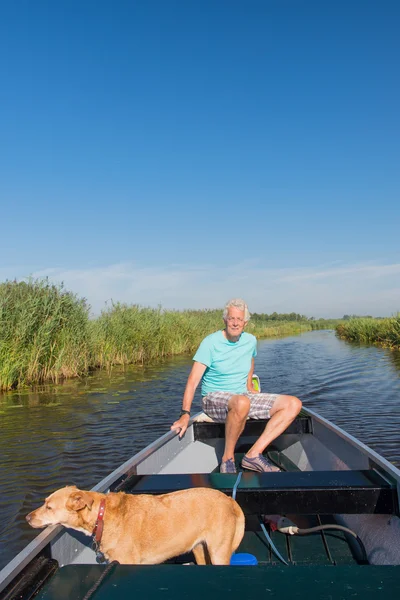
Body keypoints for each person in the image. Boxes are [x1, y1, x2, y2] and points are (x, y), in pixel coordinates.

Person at [171, 298, 302, 473]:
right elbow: (193, 380)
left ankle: (253, 455)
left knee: (293, 404)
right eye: (231, 318)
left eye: (239, 319)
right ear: (225, 320)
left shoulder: (250, 341)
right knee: (241, 403)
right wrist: (185, 414)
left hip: (242, 396)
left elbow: (250, 359)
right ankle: (228, 459)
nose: (235, 323)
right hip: (213, 397)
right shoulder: (210, 343)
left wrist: (249, 383)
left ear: (245, 322)